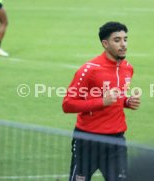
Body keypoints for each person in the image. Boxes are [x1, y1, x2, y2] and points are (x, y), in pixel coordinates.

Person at [62, 21, 141, 181]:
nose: (123, 44)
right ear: (105, 43)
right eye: (117, 40)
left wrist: (127, 101)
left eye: (125, 39)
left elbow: (116, 97)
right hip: (87, 140)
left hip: (116, 141)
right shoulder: (89, 70)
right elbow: (67, 104)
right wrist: (102, 101)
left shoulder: (128, 68)